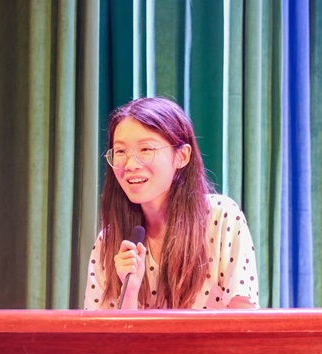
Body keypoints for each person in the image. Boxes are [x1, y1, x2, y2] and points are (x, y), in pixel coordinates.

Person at [83, 96, 259, 310]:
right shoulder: (109, 241)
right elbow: (102, 330)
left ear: (182, 156)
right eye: (120, 151)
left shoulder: (221, 218)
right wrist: (129, 292)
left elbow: (245, 317)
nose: (130, 165)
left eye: (145, 149)